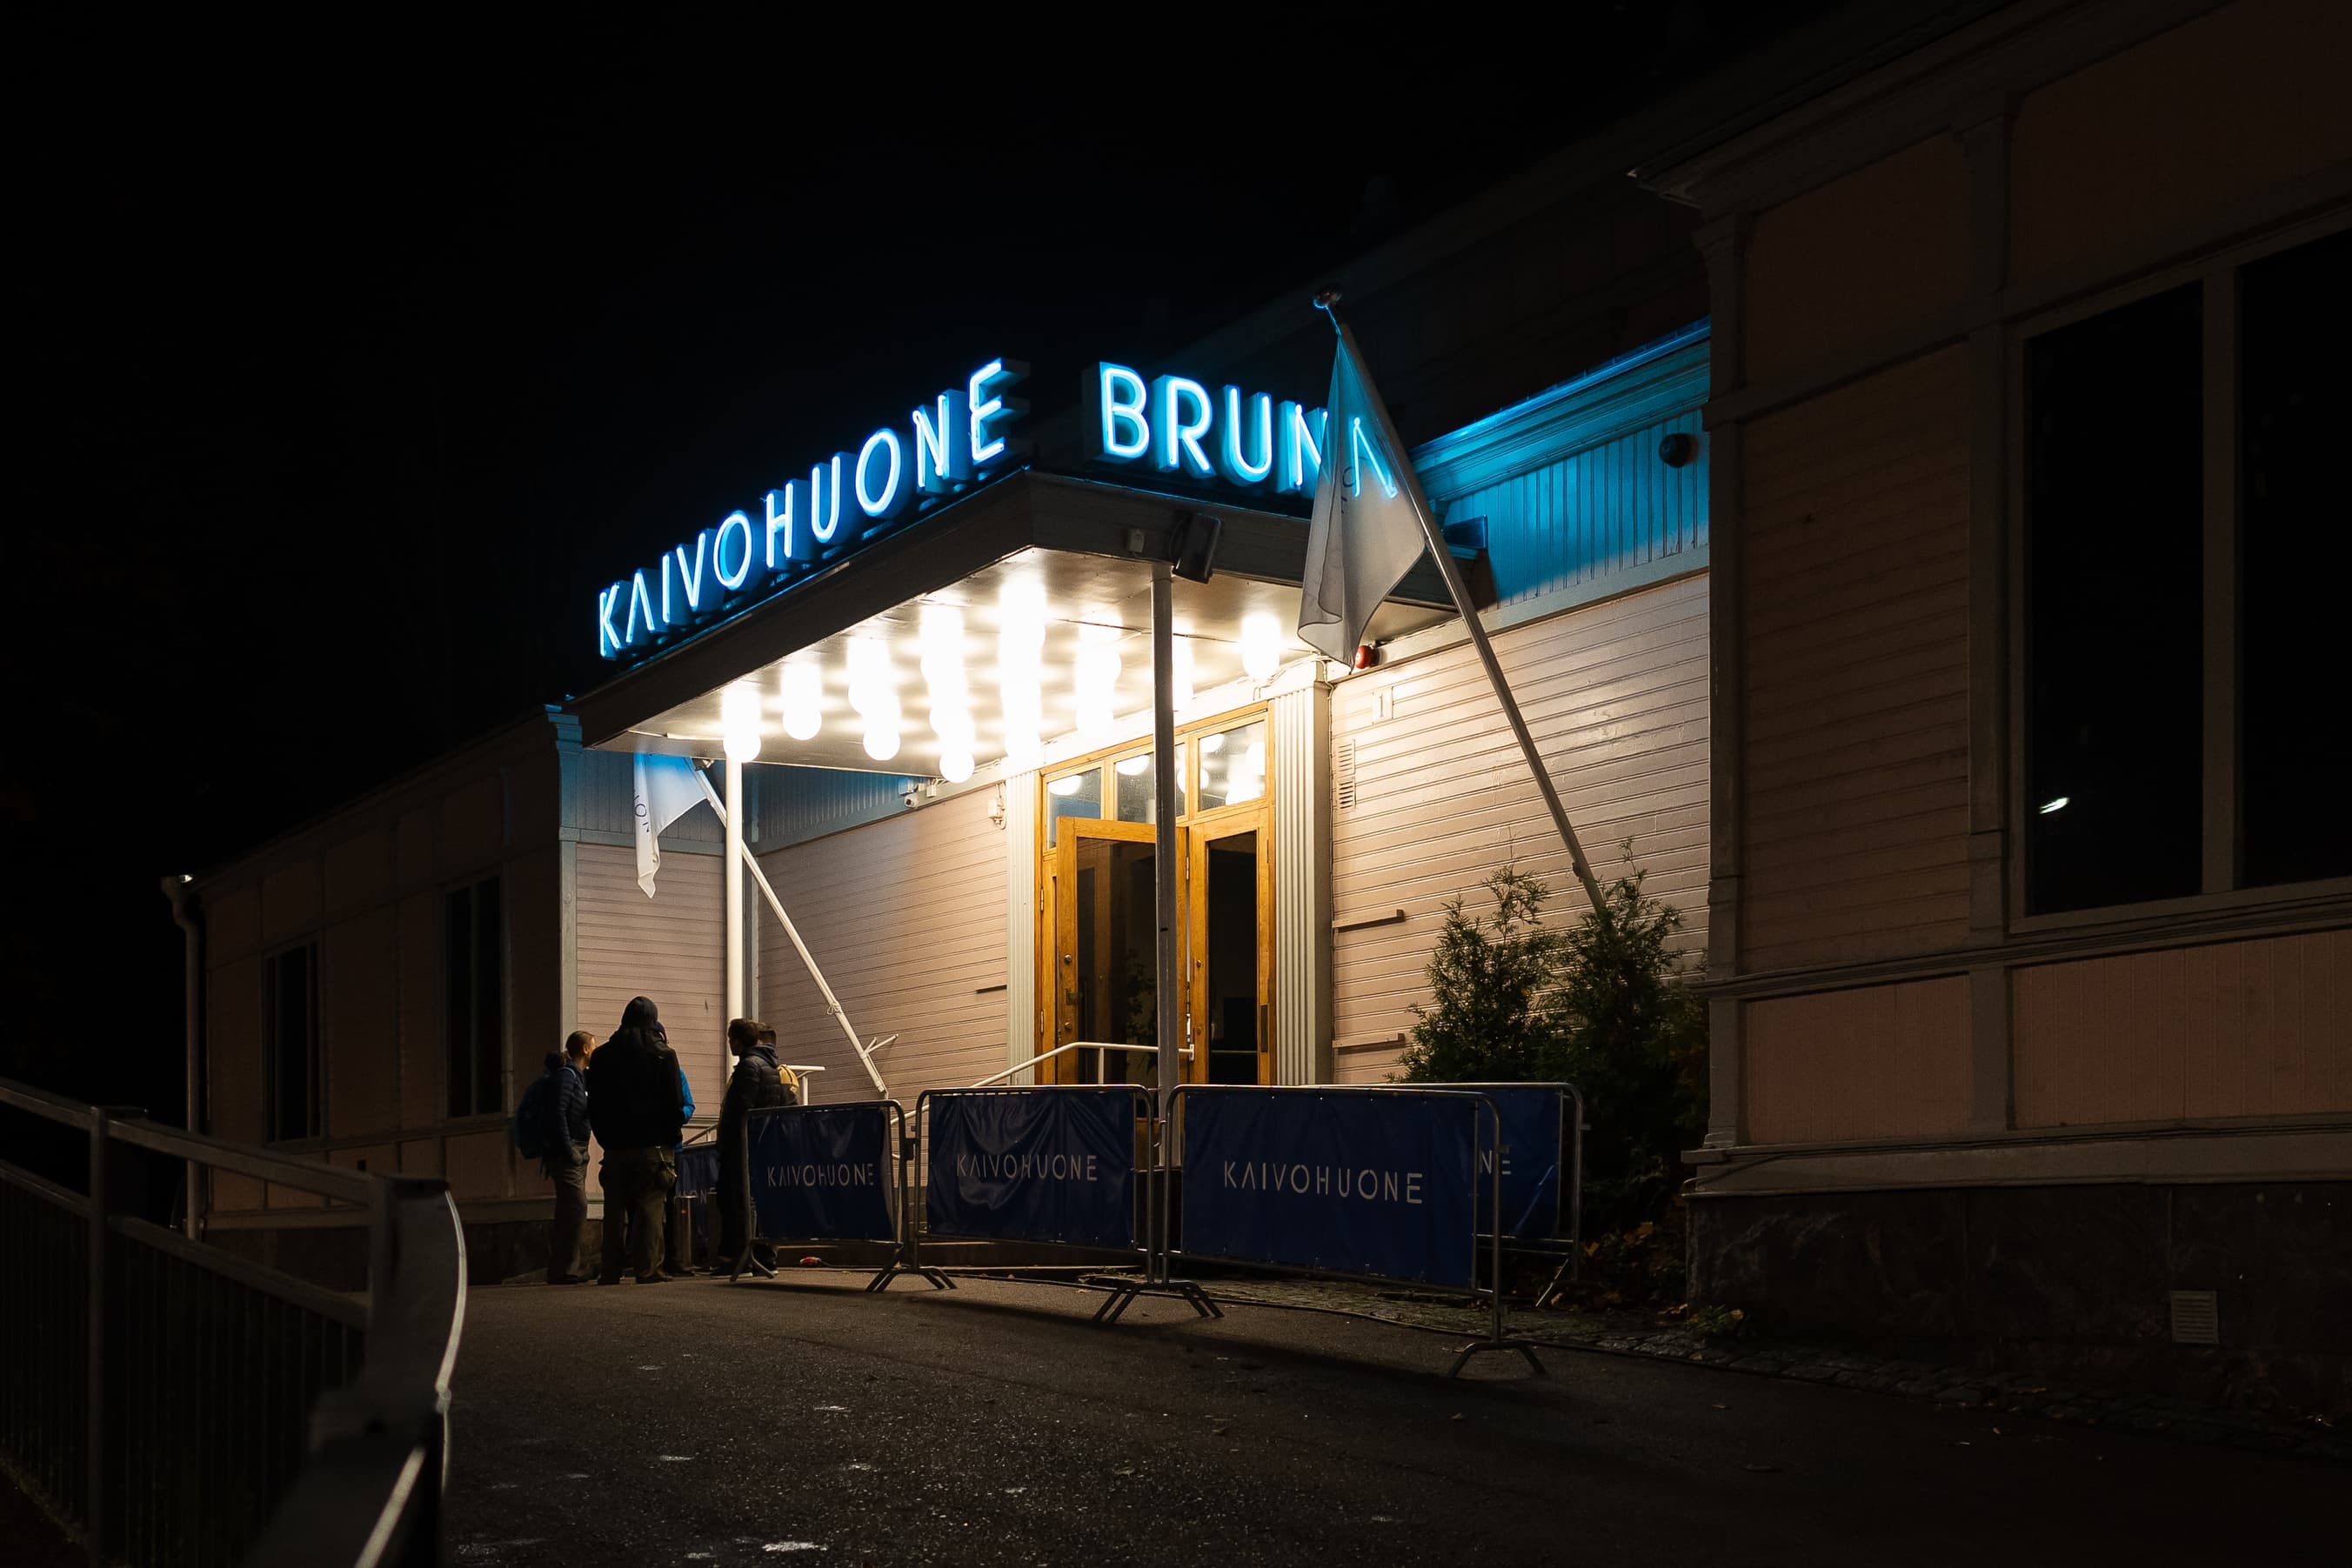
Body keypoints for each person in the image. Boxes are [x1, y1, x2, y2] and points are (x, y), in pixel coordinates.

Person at [587, 996, 686, 1284]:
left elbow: (595, 1105)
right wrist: (671, 1138)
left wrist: (605, 1138)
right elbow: (674, 1103)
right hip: (653, 1145)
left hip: (615, 1145)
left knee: (614, 1211)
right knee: (651, 1209)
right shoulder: (664, 1055)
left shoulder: (602, 1056)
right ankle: (647, 1269)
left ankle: (610, 1270)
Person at [717, 1018, 798, 1271]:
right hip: (764, 1144)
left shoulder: (748, 1066)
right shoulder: (773, 1067)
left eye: (730, 1039)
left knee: (739, 1202)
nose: (729, 1043)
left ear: (738, 1041)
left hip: (744, 1145)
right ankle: (763, 1256)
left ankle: (742, 1257)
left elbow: (740, 1108)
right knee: (759, 1201)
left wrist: (726, 1141)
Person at [532, 1031, 595, 1284]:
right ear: (585, 1049)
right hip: (568, 1152)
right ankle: (568, 1269)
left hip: (578, 1149)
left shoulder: (579, 1077)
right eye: (593, 1046)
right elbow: (557, 1113)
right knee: (577, 1206)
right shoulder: (567, 1077)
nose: (595, 1050)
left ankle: (561, 1268)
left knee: (568, 1208)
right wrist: (569, 1149)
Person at [658, 1061, 697, 1278]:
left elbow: (689, 1105)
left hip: (673, 1147)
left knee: (670, 1204)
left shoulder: (677, 1073)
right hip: (661, 1145)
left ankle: (671, 1257)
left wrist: (679, 1116)